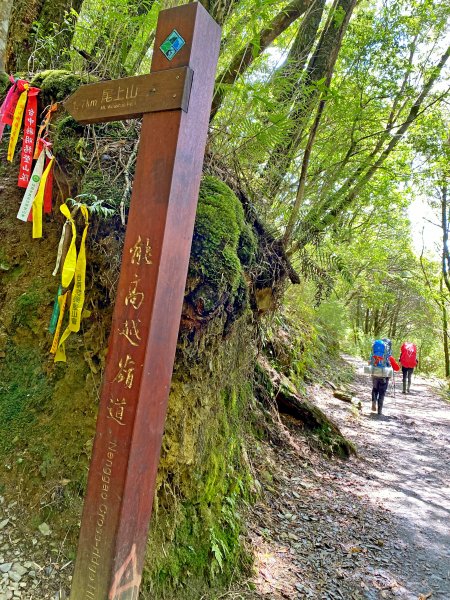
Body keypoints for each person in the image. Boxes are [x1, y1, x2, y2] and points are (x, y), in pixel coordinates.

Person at [369, 338, 400, 415]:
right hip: (384, 377)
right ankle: (379, 411)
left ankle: (374, 401)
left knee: (375, 389)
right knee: (382, 393)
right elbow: (397, 368)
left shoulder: (373, 354)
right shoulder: (389, 357)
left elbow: (369, 363)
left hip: (375, 375)